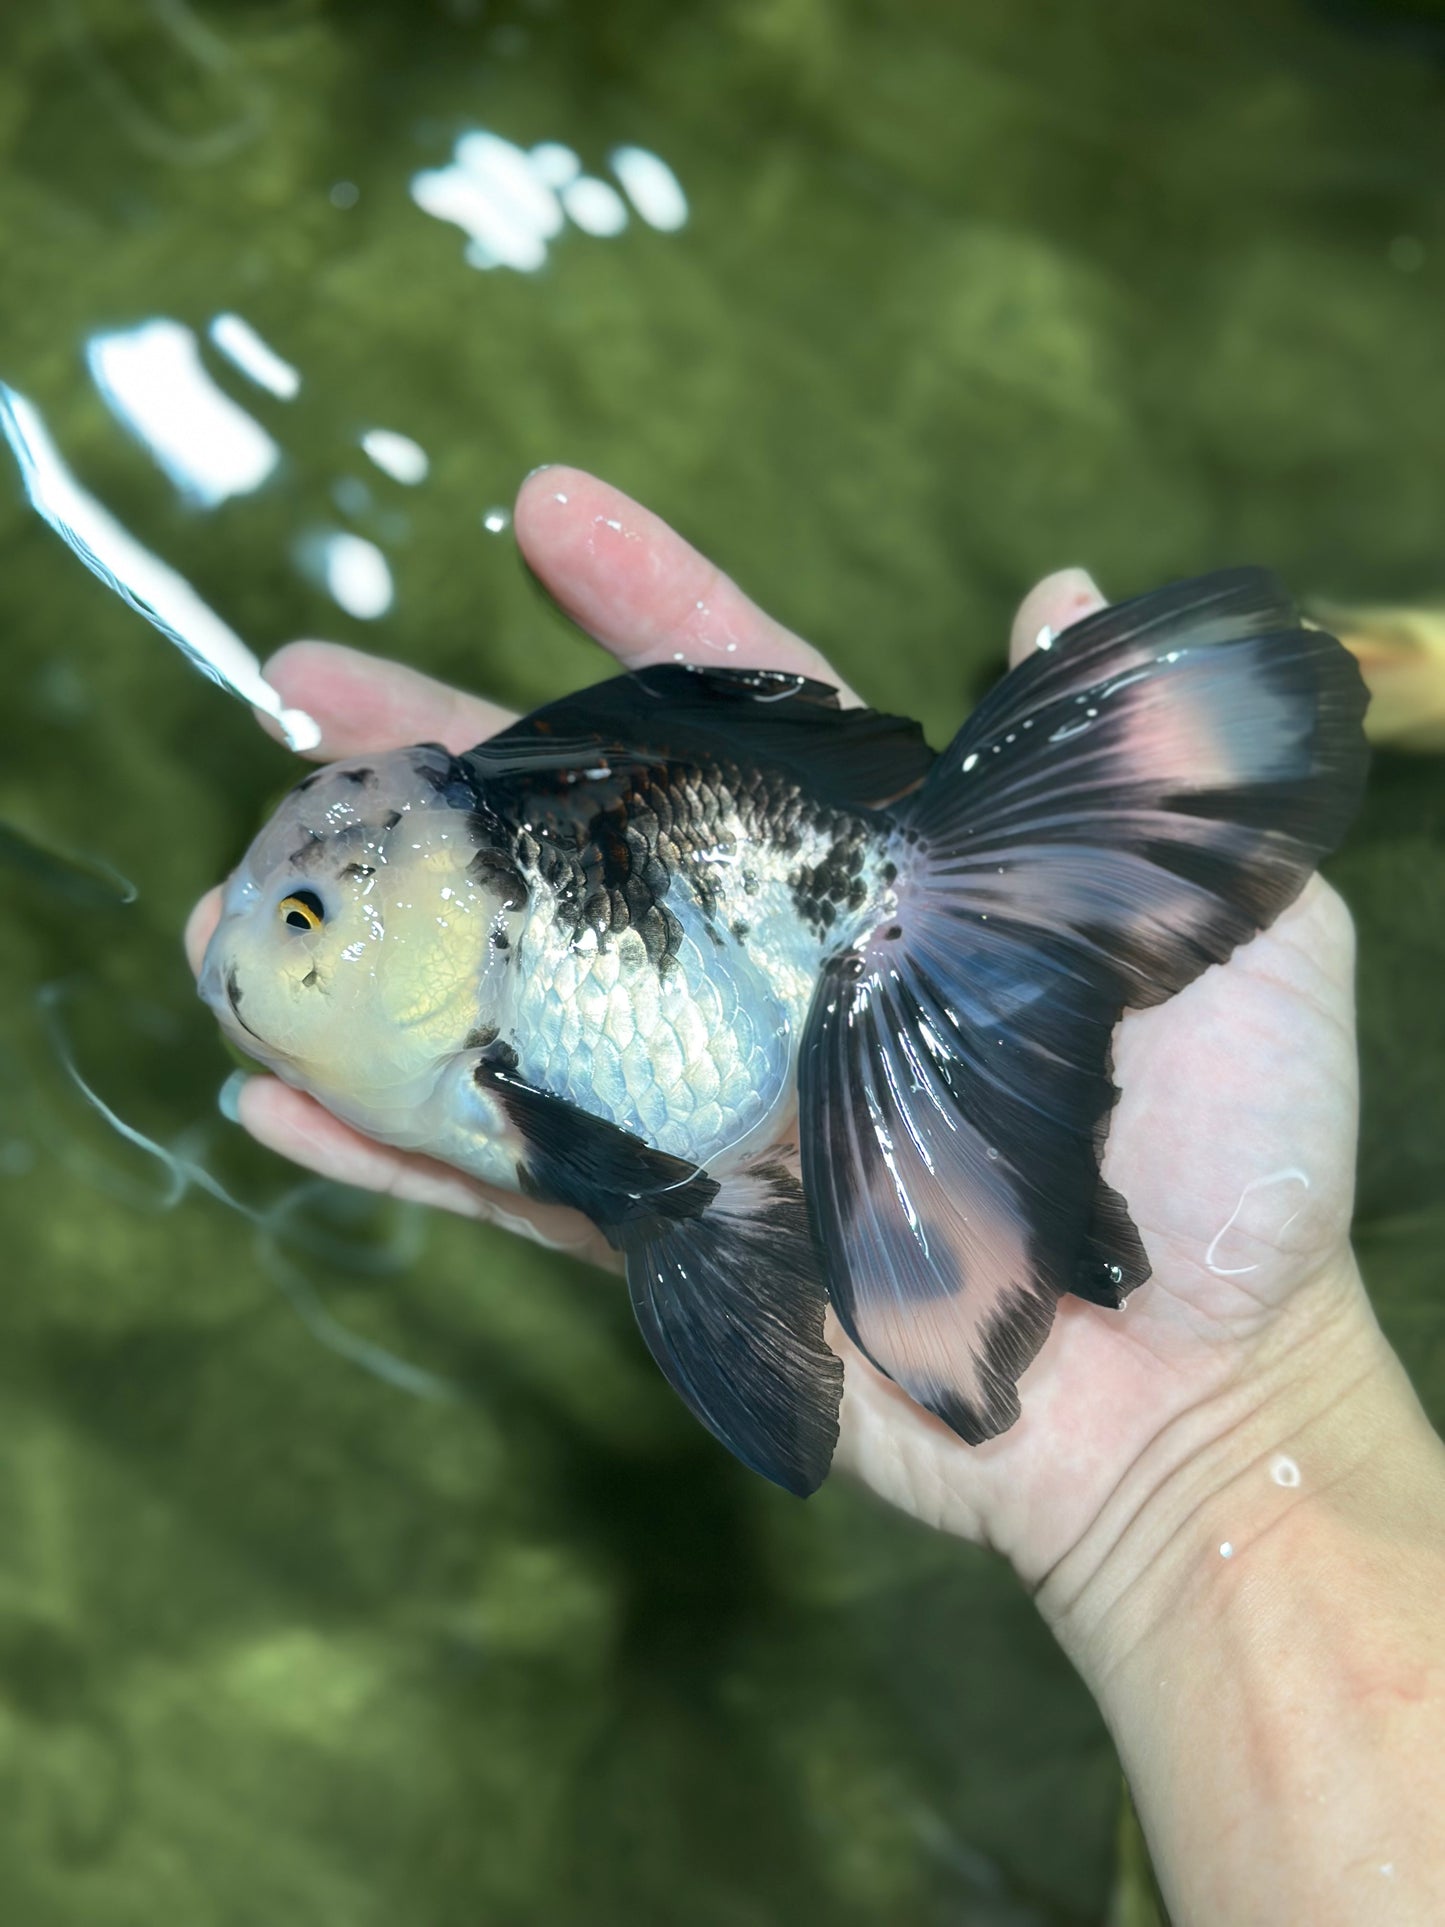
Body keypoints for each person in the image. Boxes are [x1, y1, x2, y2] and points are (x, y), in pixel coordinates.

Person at [186, 468, 1445, 1926]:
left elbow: (658, 1201)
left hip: (790, 906)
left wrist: (1214, 1440)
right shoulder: (486, 972)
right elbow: (663, 1197)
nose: (245, 956)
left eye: (298, 923)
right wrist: (1214, 1448)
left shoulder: (513, 1052)